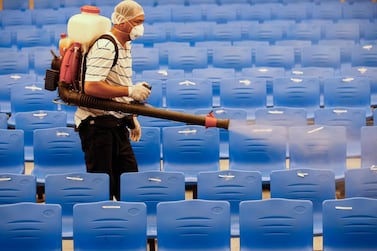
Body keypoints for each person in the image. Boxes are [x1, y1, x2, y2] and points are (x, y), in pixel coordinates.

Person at [75, 0, 151, 200]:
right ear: (122, 21)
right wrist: (130, 90)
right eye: (137, 21)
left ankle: (127, 225)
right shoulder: (106, 45)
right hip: (97, 126)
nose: (141, 27)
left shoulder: (125, 45)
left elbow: (116, 84)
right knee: (103, 188)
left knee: (128, 183)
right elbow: (90, 86)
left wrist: (129, 116)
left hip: (116, 124)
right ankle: (104, 227)